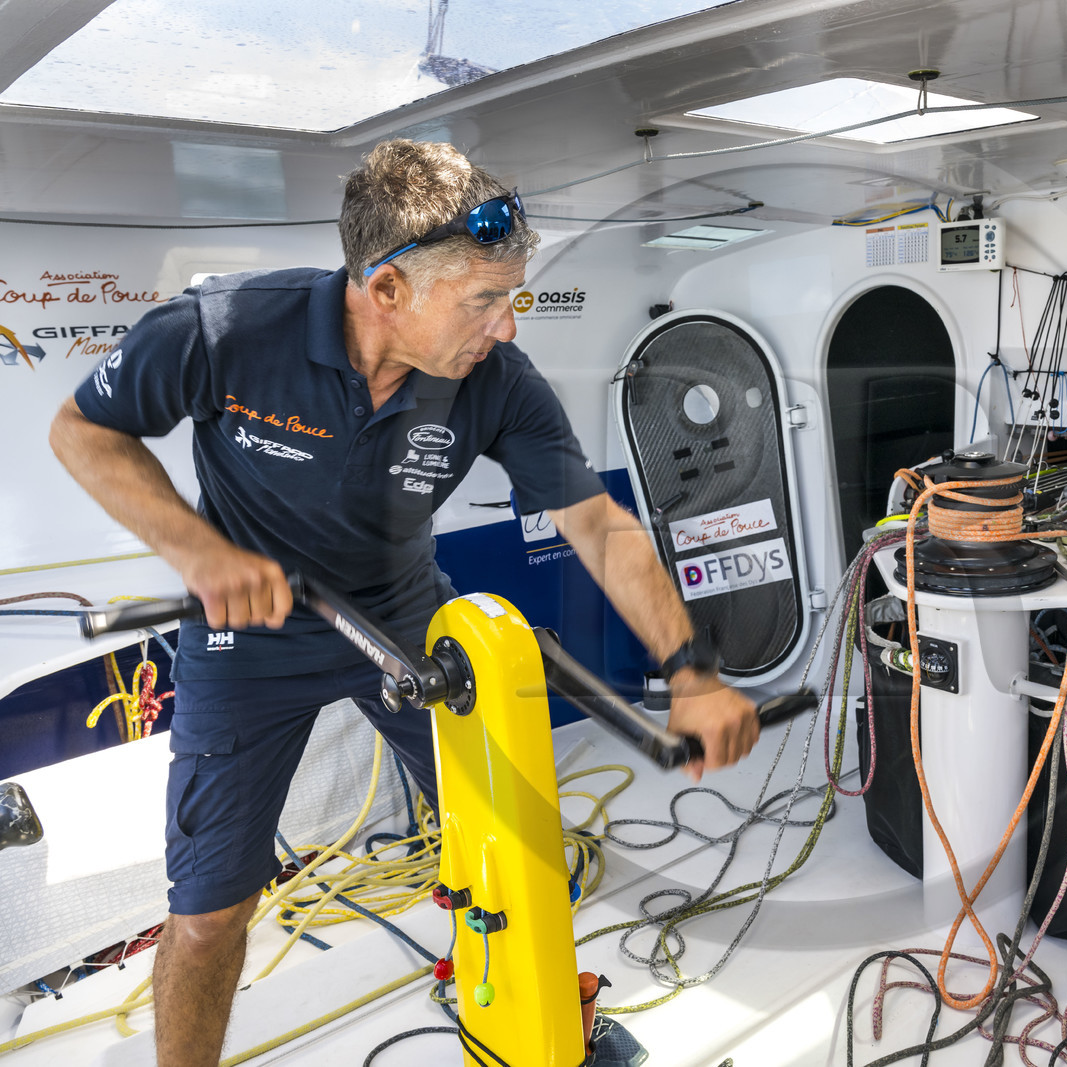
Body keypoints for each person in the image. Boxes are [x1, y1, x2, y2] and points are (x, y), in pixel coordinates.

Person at [48, 139, 759, 1067]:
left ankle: (546, 1024)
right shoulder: (224, 329)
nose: (506, 328)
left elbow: (598, 524)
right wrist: (199, 551)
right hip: (248, 638)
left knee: (519, 852)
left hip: (406, 618)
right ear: (385, 289)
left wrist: (692, 672)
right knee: (211, 913)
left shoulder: (496, 381)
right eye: (483, 300)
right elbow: (83, 431)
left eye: (513, 297)